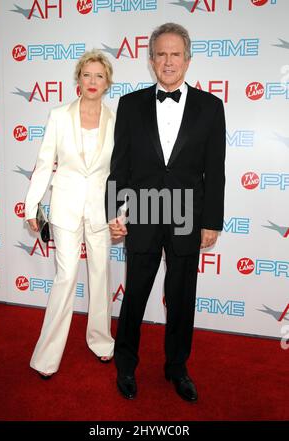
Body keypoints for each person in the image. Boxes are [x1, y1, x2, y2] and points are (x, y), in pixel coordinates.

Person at [106, 23, 226, 402]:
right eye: (161, 54)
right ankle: (126, 364)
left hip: (187, 215)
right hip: (141, 212)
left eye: (176, 54)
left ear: (187, 60)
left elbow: (215, 169)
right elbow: (120, 166)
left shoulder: (210, 106)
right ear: (151, 59)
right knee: (136, 294)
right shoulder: (130, 104)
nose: (168, 61)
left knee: (181, 296)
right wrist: (114, 212)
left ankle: (177, 368)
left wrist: (211, 221)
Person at [25, 50, 115, 379]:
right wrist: (32, 204)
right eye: (86, 75)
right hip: (64, 207)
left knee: (101, 276)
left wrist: (121, 213)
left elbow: (120, 172)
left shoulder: (117, 120)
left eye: (99, 76)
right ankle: (46, 357)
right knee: (65, 278)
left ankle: (102, 342)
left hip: (101, 211)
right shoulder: (59, 115)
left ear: (107, 83)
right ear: (78, 79)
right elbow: (44, 162)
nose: (92, 81)